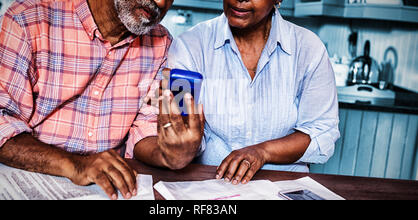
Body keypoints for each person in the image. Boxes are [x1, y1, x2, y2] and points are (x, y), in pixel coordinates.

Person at [0, 0, 189, 200]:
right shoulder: (28, 18)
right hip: (24, 180)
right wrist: (74, 165)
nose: (161, 2)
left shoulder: (161, 42)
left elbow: (145, 129)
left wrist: (169, 153)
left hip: (106, 190)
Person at [133, 0, 340, 185]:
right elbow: (178, 127)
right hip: (212, 184)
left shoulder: (308, 48)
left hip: (285, 185)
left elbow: (321, 131)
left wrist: (262, 152)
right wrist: (180, 146)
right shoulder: (189, 45)